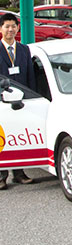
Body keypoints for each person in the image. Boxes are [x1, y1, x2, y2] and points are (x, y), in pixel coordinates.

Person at [0, 13, 35, 190]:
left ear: (18, 28)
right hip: (2, 102)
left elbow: (30, 74)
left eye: (13, 26)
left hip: (21, 100)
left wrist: (31, 96)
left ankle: (19, 173)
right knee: (2, 138)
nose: (10, 29)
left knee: (18, 135)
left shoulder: (24, 49)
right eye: (7, 26)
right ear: (1, 29)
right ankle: (1, 175)